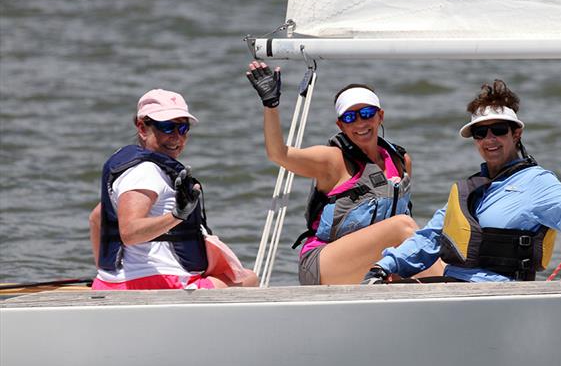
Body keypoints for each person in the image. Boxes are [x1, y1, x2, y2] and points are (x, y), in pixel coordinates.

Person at [362, 79, 561, 283]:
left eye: (499, 130)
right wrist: (383, 267)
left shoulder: (537, 182)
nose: (490, 139)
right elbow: (430, 238)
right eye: (481, 133)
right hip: (454, 286)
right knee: (381, 289)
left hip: (498, 293)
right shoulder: (471, 189)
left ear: (516, 133)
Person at [246, 60, 444, 285]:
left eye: (367, 113)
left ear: (380, 116)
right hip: (323, 264)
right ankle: (453, 288)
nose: (360, 122)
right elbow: (278, 154)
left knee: (446, 249)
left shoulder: (401, 161)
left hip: (377, 264)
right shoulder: (333, 161)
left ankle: (459, 286)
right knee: (404, 227)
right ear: (340, 125)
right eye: (350, 117)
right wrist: (270, 105)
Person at [89, 89, 258, 290]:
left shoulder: (137, 170)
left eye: (183, 128)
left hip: (114, 284)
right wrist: (177, 215)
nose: (177, 137)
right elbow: (130, 233)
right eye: (167, 127)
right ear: (142, 128)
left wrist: (108, 274)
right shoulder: (146, 172)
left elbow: (97, 218)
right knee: (249, 279)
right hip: (154, 285)